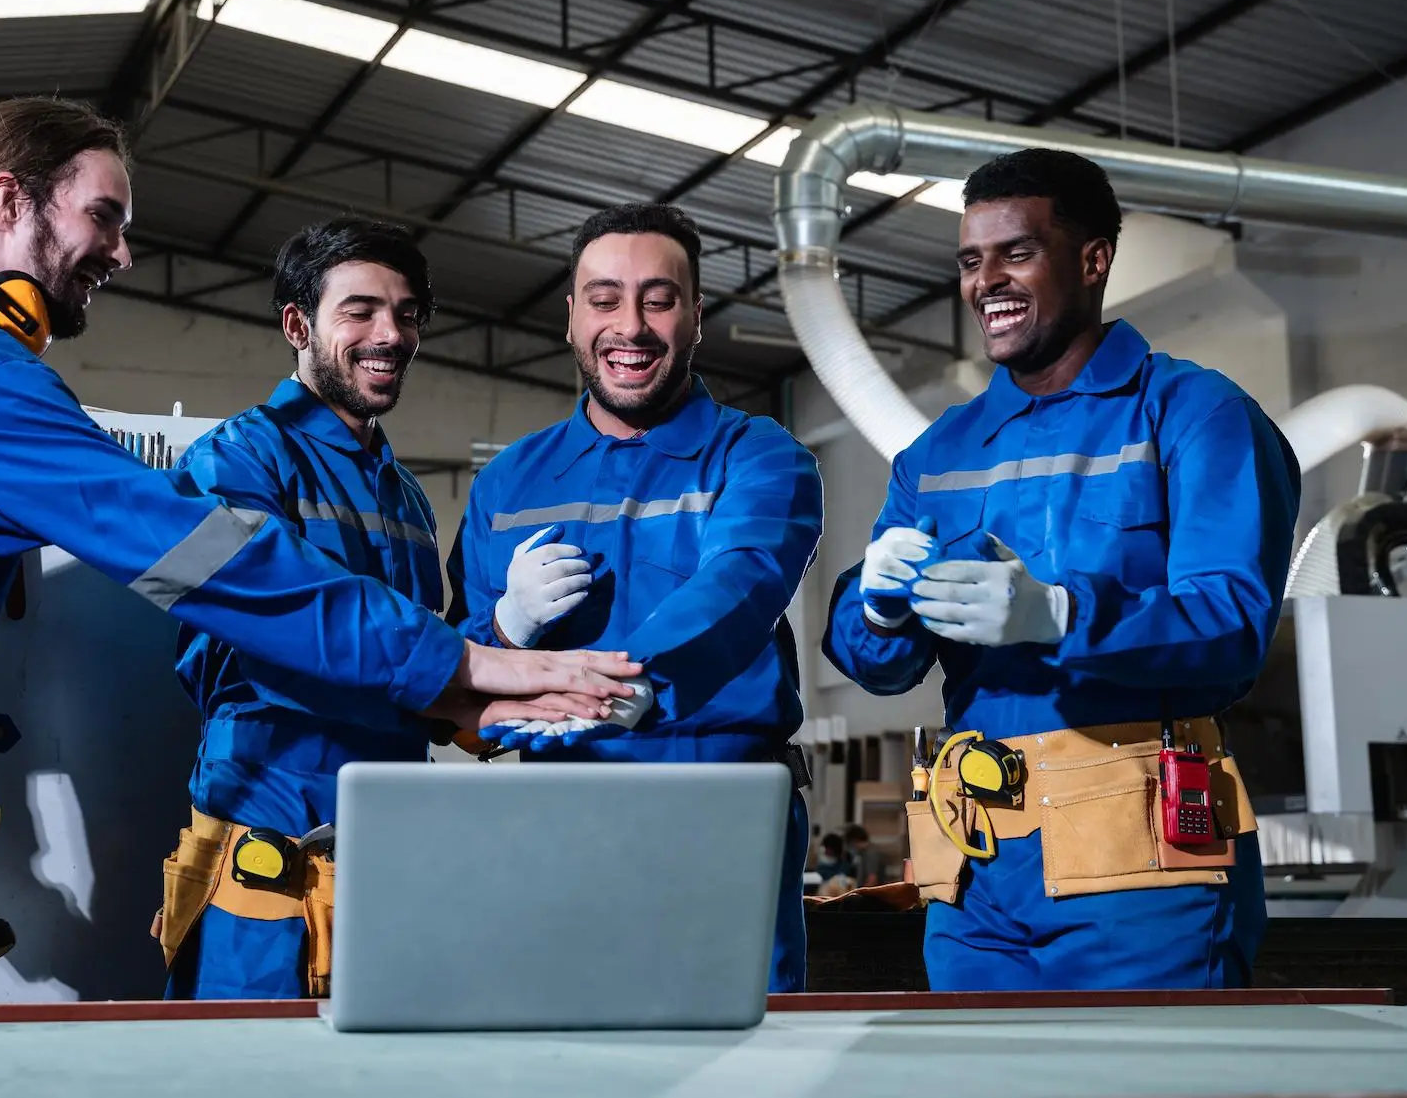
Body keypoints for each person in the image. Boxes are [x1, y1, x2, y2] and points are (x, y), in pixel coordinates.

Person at [0, 97, 638, 1008]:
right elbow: (205, 558)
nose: (124, 252)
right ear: (10, 197)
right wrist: (462, 658)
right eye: (103, 215)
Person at [821, 148, 1298, 992]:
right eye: (971, 260)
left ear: (1093, 258)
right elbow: (878, 666)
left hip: (1139, 861)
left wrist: (1064, 615)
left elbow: (1231, 626)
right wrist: (878, 609)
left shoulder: (1194, 414)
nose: (987, 280)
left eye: (1017, 252)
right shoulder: (937, 454)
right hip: (975, 868)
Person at [448, 202, 824, 994]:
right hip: (556, 821)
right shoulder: (508, 482)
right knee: (570, 1058)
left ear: (695, 317)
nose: (631, 325)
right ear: (572, 317)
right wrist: (508, 630)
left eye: (659, 298)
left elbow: (744, 574)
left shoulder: (758, 455)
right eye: (605, 298)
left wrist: (631, 678)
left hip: (723, 813)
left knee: (740, 1061)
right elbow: (464, 669)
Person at [158, 218, 479, 999]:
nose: (391, 334)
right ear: (298, 325)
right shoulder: (238, 457)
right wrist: (466, 672)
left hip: (389, 841)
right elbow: (275, 638)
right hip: (270, 840)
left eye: (406, 314)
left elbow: (420, 659)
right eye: (360, 311)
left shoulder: (403, 491)